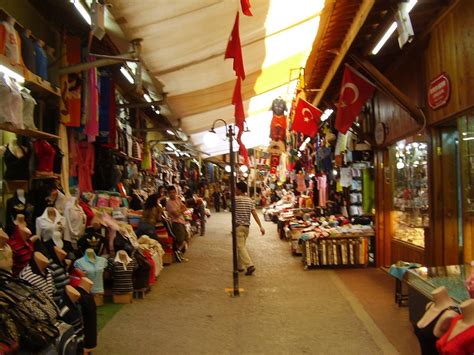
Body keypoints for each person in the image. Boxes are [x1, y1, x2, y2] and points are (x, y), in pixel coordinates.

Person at [235, 181, 265, 276]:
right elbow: (255, 214)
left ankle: (249, 265)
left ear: (239, 189)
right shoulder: (249, 200)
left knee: (241, 247)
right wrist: (260, 226)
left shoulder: (235, 199)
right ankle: (239, 266)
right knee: (241, 246)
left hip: (238, 227)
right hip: (246, 228)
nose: (235, 190)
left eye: (236, 188)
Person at [165, 186, 189, 261]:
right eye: (171, 193)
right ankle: (178, 253)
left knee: (185, 238)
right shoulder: (169, 203)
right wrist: (181, 210)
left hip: (181, 221)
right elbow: (176, 214)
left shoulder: (177, 199)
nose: (172, 194)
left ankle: (179, 253)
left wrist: (180, 210)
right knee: (180, 240)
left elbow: (185, 207)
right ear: (168, 194)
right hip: (176, 223)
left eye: (174, 192)